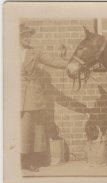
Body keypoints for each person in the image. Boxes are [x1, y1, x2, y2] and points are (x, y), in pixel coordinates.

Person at [20, 23, 69, 172]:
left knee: (29, 128)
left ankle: (29, 161)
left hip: (31, 96)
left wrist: (71, 64)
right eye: (24, 35)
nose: (27, 38)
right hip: (10, 94)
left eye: (29, 35)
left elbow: (53, 61)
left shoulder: (35, 52)